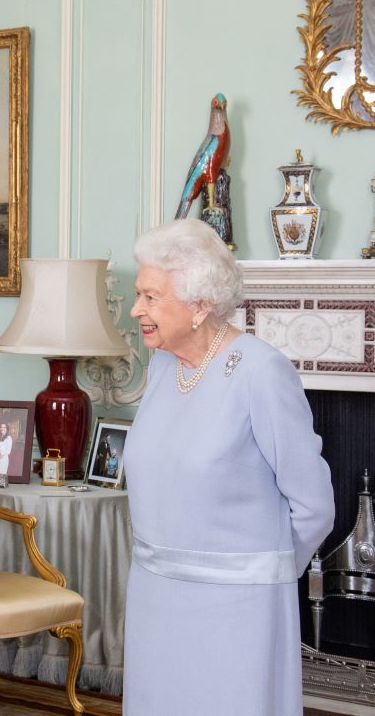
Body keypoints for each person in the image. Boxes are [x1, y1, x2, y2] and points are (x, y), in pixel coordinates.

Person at [121, 218, 334, 716]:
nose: (136, 310)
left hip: (239, 609)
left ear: (199, 306)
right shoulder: (163, 364)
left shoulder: (261, 372)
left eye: (151, 297)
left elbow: (314, 505)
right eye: (139, 295)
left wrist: (264, 573)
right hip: (156, 597)